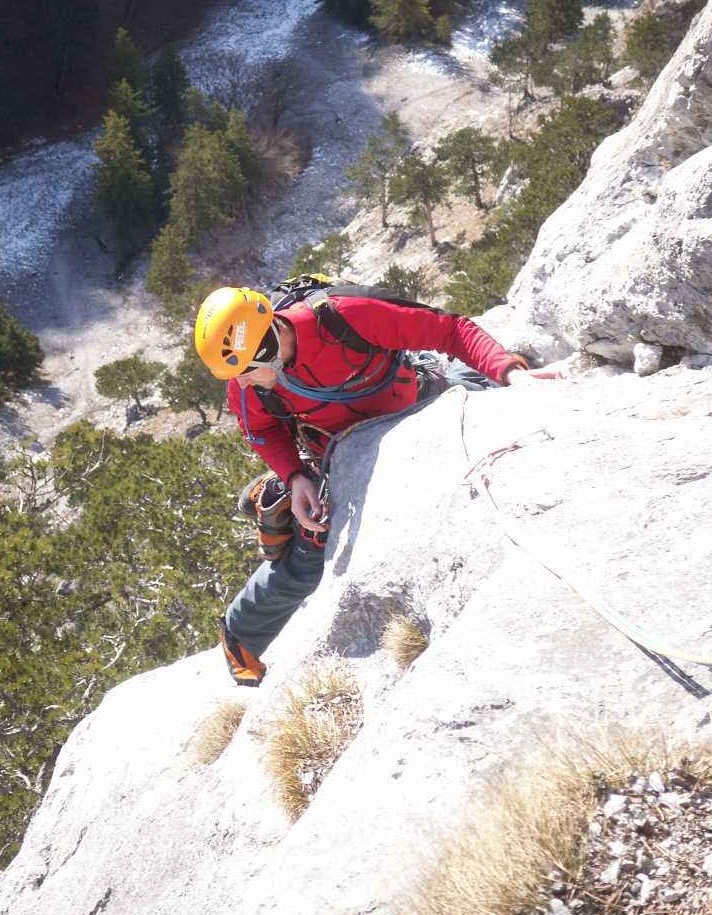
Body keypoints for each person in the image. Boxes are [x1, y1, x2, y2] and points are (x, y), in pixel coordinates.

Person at [195, 284, 561, 685]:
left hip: (411, 398)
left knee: (473, 386)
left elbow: (450, 331)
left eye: (246, 372)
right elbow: (260, 430)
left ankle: (494, 372)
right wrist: (294, 475)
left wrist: (510, 373)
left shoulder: (344, 319)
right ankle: (241, 634)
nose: (242, 384)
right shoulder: (247, 383)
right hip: (338, 453)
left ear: (265, 347)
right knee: (308, 557)